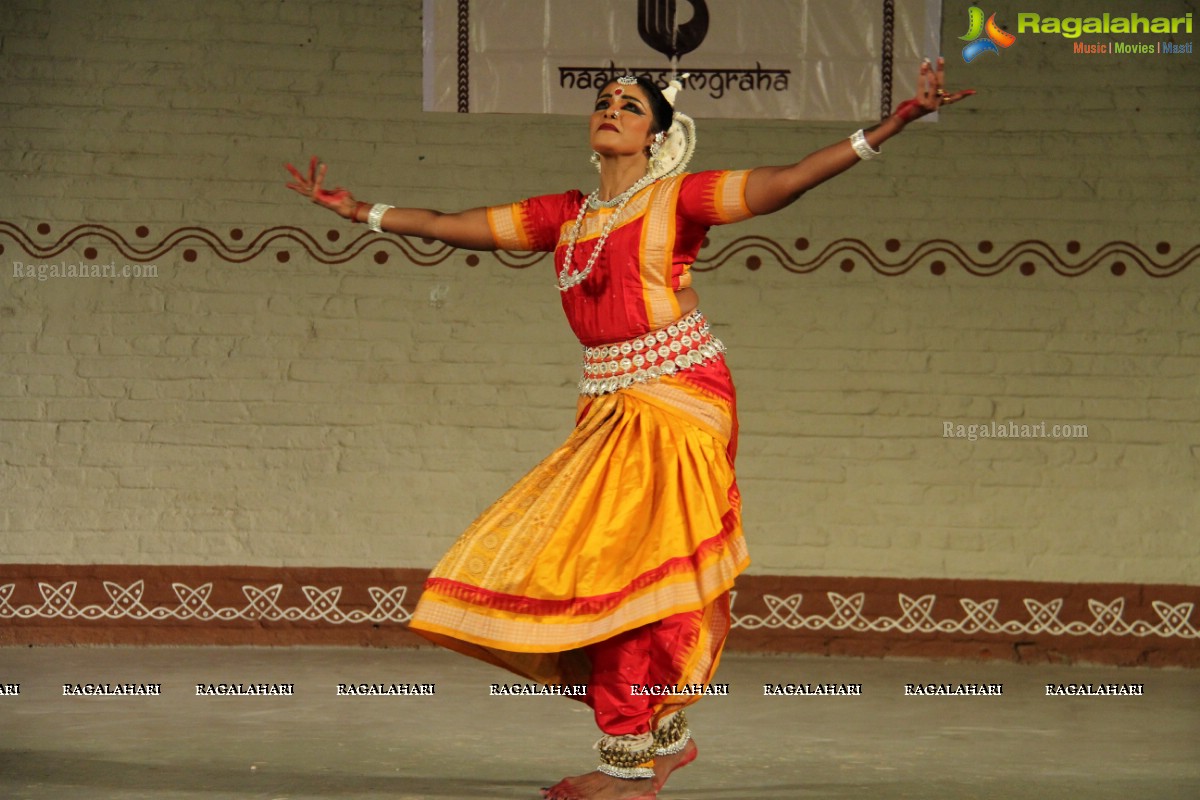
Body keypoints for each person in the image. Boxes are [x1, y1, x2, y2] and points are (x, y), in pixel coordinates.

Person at [286, 58, 971, 800]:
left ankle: (627, 766)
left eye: (631, 106)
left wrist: (891, 127)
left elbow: (790, 180)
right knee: (620, 576)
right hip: (612, 402)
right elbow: (455, 227)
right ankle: (663, 739)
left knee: (634, 574)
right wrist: (361, 212)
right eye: (604, 101)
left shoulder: (680, 200)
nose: (611, 109)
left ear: (659, 135)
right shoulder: (566, 216)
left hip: (679, 397)